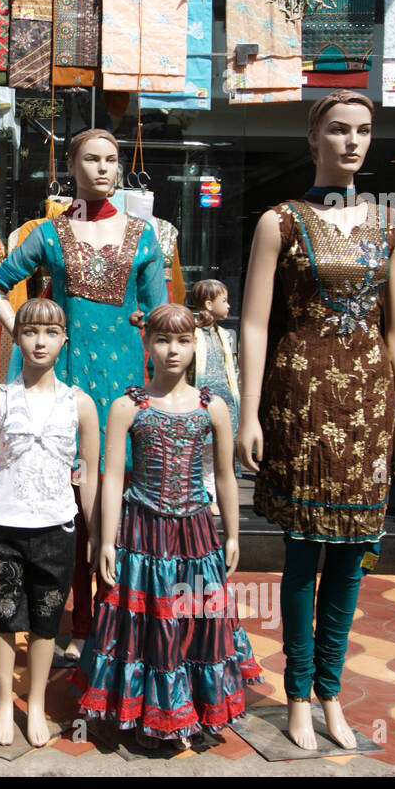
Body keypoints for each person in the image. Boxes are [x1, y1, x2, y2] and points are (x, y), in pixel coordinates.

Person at [237, 90, 395, 752]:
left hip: (370, 402)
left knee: (352, 559)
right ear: (313, 138)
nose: (352, 142)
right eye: (338, 130)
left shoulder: (393, 225)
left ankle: (333, 692)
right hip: (302, 399)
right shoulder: (279, 221)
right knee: (303, 553)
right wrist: (249, 410)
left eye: (364, 131)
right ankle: (298, 696)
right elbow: (254, 324)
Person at [0, 128, 168, 662]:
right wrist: (26, 333)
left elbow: (159, 318)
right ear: (72, 164)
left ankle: (119, 621)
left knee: (121, 503)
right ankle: (80, 624)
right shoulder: (49, 233)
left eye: (112, 159)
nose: (104, 168)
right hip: (64, 384)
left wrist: (162, 385)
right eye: (92, 158)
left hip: (126, 386)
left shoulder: (144, 235)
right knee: (75, 507)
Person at [73, 304, 261, 750]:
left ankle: (190, 709)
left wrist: (232, 533)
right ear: (145, 344)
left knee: (194, 618)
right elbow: (112, 476)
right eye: (162, 340)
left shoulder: (212, 406)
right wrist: (103, 537)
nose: (173, 350)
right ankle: (142, 714)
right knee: (145, 622)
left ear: (196, 345)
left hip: (195, 533)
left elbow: (224, 476)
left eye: (182, 340)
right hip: (140, 532)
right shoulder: (126, 406)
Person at [0, 298, 101, 748]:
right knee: (3, 618)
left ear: (64, 339)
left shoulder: (80, 404)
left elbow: (91, 474)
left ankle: (36, 701)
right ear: (16, 337)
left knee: (46, 620)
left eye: (50, 332)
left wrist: (97, 533)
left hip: (58, 528)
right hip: (3, 525)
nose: (40, 341)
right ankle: (4, 698)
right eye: (30, 331)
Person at [190, 279, 241, 516]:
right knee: (203, 453)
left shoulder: (222, 334)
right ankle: (206, 496)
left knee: (219, 453)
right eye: (224, 301)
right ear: (209, 304)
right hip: (202, 401)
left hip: (225, 401)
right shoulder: (192, 333)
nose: (229, 306)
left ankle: (217, 496)